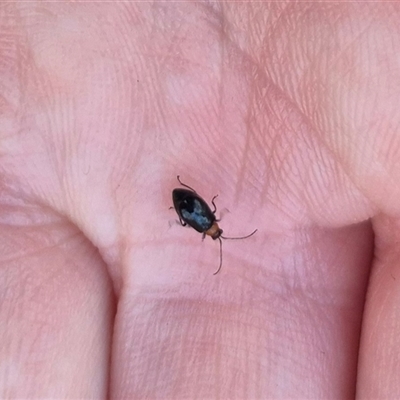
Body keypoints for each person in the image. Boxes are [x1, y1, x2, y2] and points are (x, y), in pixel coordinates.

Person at [0, 2, 398, 398]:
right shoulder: (201, 218)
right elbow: (188, 202)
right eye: (216, 229)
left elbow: (188, 204)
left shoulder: (201, 218)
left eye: (215, 231)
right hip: (184, 198)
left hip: (184, 200)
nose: (216, 229)